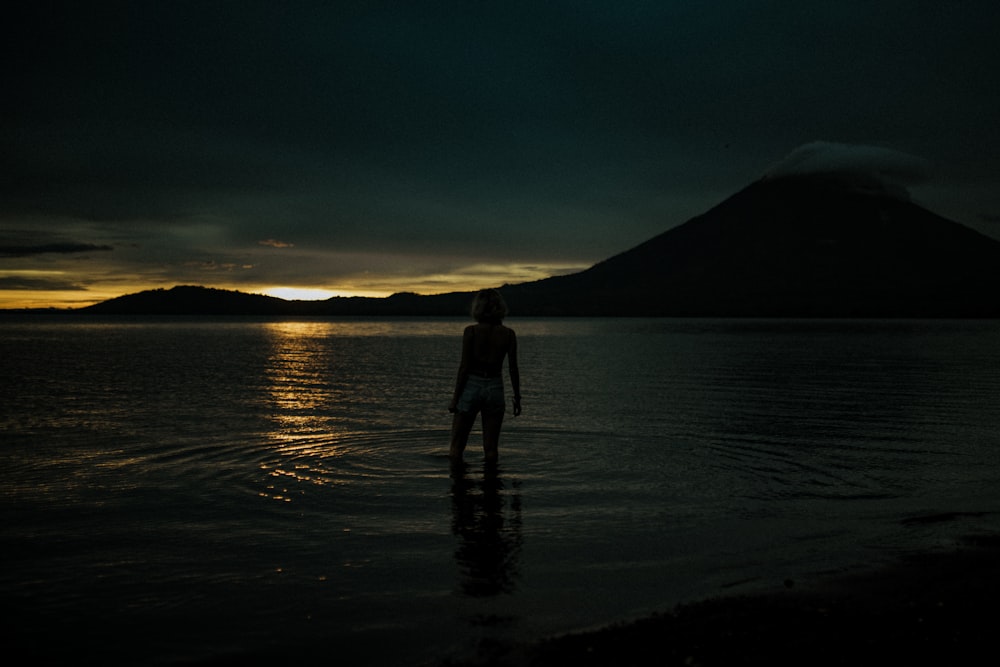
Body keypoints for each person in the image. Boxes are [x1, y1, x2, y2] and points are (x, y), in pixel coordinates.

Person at [449, 289, 521, 463]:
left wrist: (455, 398)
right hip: (495, 387)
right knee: (491, 449)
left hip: (472, 385)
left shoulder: (471, 332)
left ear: (478, 308)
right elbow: (513, 368)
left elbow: (464, 367)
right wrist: (517, 397)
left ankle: (458, 487)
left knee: (457, 447)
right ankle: (492, 487)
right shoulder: (509, 334)